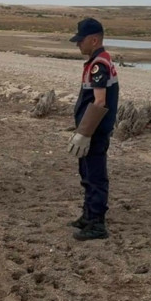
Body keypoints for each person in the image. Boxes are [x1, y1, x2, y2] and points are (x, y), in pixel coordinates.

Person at [66, 18, 119, 240]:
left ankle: (97, 223)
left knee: (95, 175)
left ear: (94, 39)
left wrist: (84, 134)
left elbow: (99, 102)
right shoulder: (98, 61)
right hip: (92, 131)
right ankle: (88, 215)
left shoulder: (99, 64)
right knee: (86, 173)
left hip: (95, 132)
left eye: (81, 40)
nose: (78, 45)